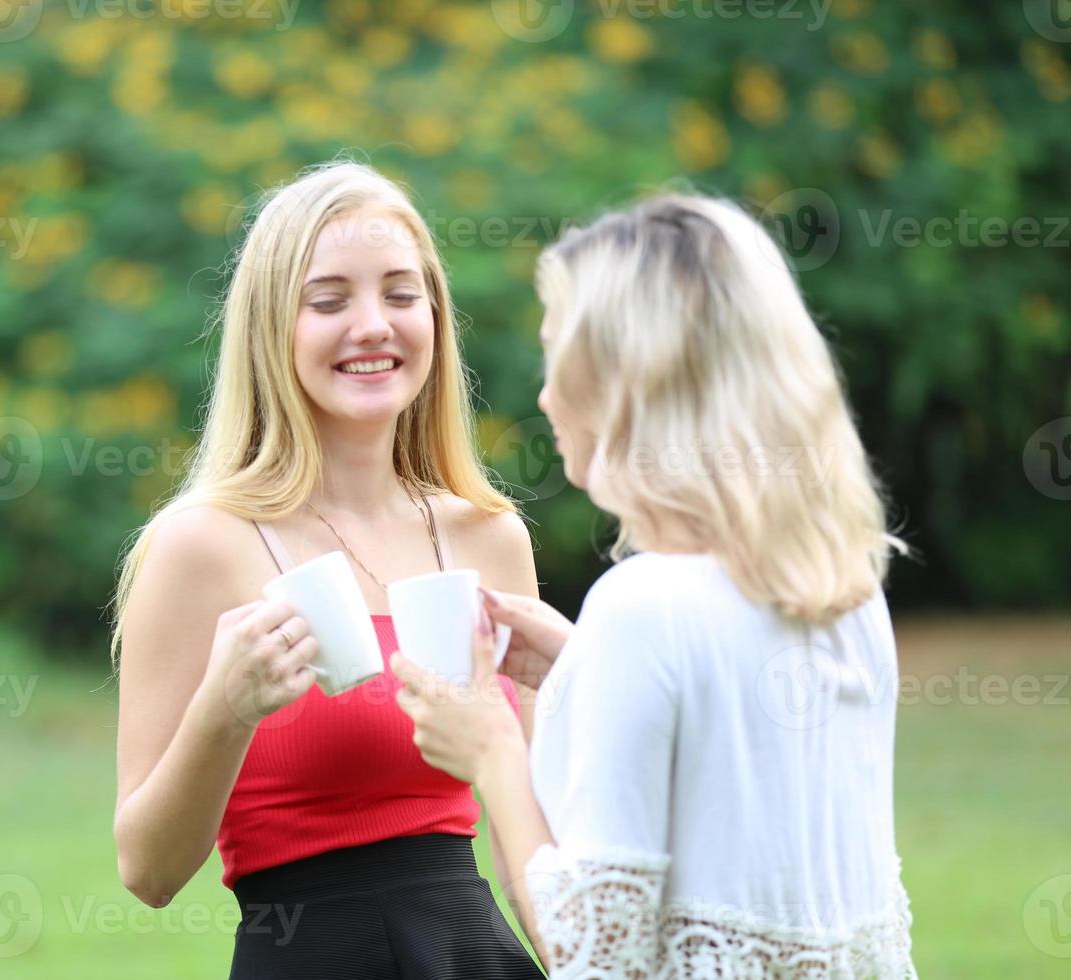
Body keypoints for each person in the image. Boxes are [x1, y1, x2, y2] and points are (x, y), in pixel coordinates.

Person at [393, 193, 917, 978]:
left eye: (555, 358)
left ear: (624, 382)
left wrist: (493, 750)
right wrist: (579, 669)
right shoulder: (847, 594)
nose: (544, 397)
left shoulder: (642, 608)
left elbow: (599, 959)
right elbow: (742, 817)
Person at [111, 161, 546, 978]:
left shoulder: (488, 538)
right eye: (330, 300)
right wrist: (225, 710)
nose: (374, 324)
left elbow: (539, 833)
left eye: (401, 293)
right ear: (273, 330)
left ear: (436, 318)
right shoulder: (200, 546)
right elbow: (148, 871)